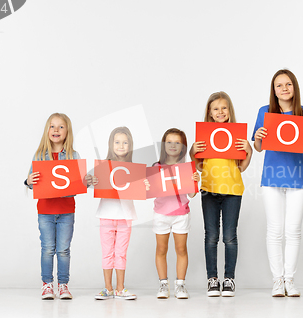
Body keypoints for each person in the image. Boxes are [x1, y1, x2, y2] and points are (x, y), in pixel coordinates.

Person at [252, 69, 303, 297]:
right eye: (279, 85)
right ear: (274, 90)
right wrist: (259, 137)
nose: (284, 89)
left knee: (293, 230)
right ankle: (277, 280)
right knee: (275, 230)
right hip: (272, 175)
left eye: (288, 84)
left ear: (294, 87)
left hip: (297, 176)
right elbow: (258, 147)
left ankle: (289, 280)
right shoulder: (265, 112)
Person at [190, 91, 253, 297]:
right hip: (209, 189)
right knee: (211, 237)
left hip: (232, 190)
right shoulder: (205, 137)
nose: (220, 112)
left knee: (229, 237)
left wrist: (249, 151)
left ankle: (229, 279)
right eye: (215, 108)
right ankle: (212, 279)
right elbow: (199, 166)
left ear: (229, 110)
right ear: (209, 112)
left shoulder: (235, 136)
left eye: (224, 108)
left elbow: (241, 167)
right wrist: (193, 152)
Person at [25, 113, 80, 300]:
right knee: (47, 249)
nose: (56, 130)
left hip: (66, 211)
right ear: (47, 131)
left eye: (61, 127)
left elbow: (76, 184)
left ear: (67, 132)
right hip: (46, 211)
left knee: (63, 250)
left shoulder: (73, 155)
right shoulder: (40, 155)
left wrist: (86, 181)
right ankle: (47, 285)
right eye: (52, 126)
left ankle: (63, 285)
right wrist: (28, 181)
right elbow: (33, 182)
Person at [93, 127, 146, 300]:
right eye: (117, 142)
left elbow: (142, 189)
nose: (121, 146)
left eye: (125, 142)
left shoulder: (133, 168)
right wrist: (92, 181)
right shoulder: (103, 167)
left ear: (130, 145)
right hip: (107, 214)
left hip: (125, 215)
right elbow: (93, 183)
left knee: (121, 252)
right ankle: (108, 288)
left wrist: (144, 184)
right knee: (107, 251)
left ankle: (120, 288)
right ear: (111, 144)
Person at [152, 128, 200, 299]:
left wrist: (195, 182)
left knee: (181, 249)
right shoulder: (156, 167)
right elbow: (149, 191)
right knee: (161, 249)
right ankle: (163, 284)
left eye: (177, 143)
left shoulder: (186, 168)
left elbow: (192, 195)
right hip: (161, 214)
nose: (173, 146)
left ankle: (180, 285)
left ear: (183, 147)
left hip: (181, 214)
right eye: (169, 142)